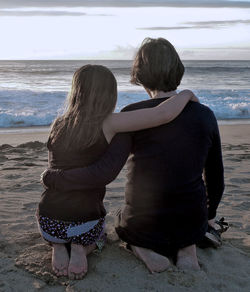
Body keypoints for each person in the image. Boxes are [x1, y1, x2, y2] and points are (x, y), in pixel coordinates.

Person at [42, 38, 224, 274]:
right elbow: (215, 176)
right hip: (190, 220)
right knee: (188, 216)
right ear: (178, 70)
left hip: (143, 220)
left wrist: (58, 174)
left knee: (121, 217)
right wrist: (209, 215)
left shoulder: (129, 115)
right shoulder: (206, 115)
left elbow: (109, 167)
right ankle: (187, 252)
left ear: (140, 75)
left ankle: (143, 248)